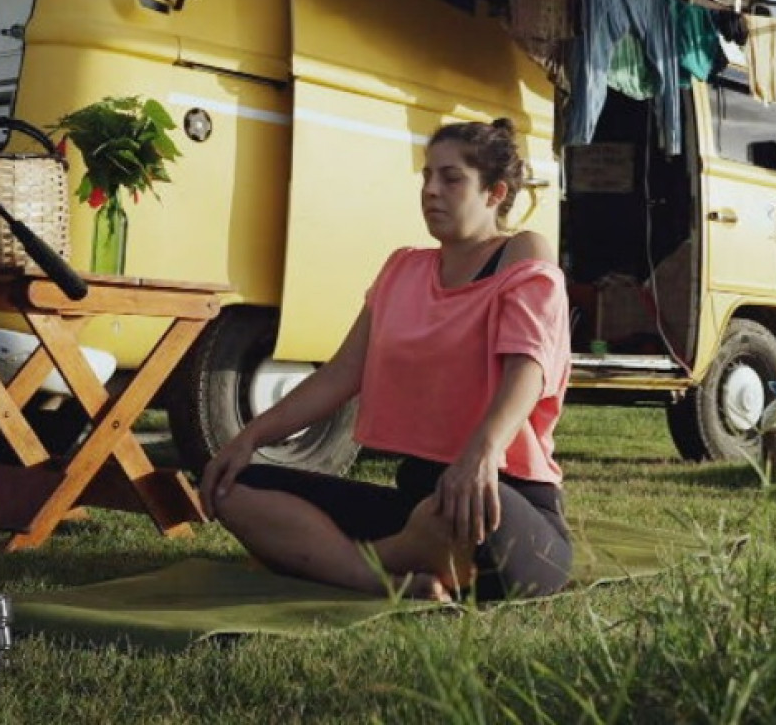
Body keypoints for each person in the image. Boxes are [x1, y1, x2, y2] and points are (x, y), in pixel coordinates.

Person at [200, 119, 572, 601]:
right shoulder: (403, 268)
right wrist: (248, 438)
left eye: (451, 178)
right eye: (427, 176)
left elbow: (529, 368)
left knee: (463, 510)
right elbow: (339, 375)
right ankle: (381, 571)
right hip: (417, 502)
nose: (431, 190)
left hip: (503, 500)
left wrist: (482, 453)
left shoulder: (523, 253)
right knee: (235, 488)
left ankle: (347, 557)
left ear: (495, 192)